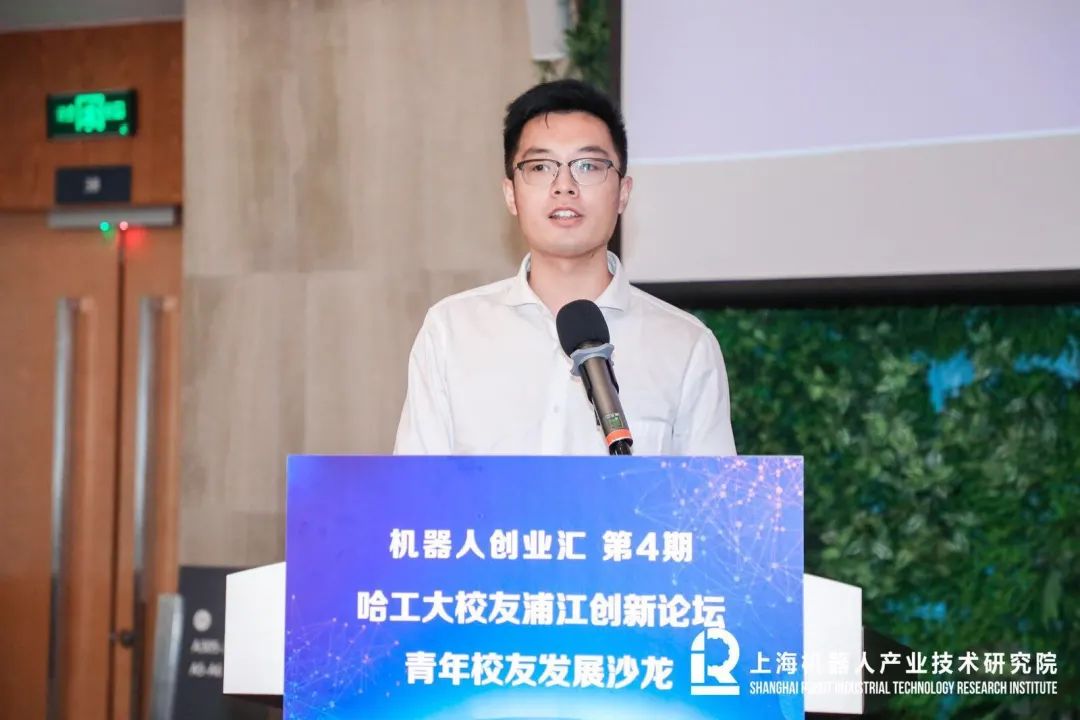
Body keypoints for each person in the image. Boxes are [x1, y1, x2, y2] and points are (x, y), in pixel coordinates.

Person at [394, 79, 736, 456]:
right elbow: (415, 488)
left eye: (587, 166)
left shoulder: (685, 346)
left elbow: (710, 494)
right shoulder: (450, 332)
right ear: (511, 194)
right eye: (541, 166)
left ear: (623, 193)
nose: (564, 186)